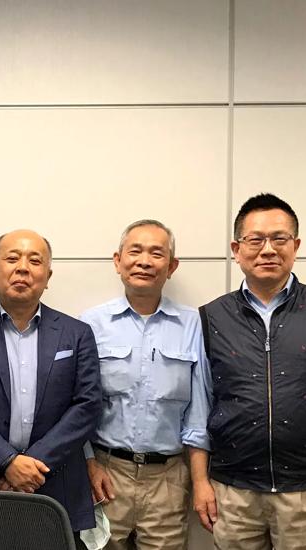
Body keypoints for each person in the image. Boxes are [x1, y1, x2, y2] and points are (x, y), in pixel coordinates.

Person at [190, 193, 306, 550]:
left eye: (279, 239)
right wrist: (200, 482)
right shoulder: (212, 317)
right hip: (233, 492)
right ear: (236, 248)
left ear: (296, 245)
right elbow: (200, 408)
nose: (268, 250)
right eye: (255, 240)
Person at [0, 229, 102, 544]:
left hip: (54, 485)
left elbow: (87, 405)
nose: (23, 268)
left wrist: (32, 465)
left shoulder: (77, 333)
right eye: (12, 258)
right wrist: (7, 462)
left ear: (48, 275)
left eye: (35, 260)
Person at [79, 220, 209, 550]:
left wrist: (198, 480)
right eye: (135, 251)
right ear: (117, 260)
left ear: (172, 266)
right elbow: (76, 405)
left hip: (168, 477)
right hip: (106, 474)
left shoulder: (194, 324)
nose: (144, 261)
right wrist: (89, 464)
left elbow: (199, 413)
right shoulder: (90, 324)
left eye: (156, 253)